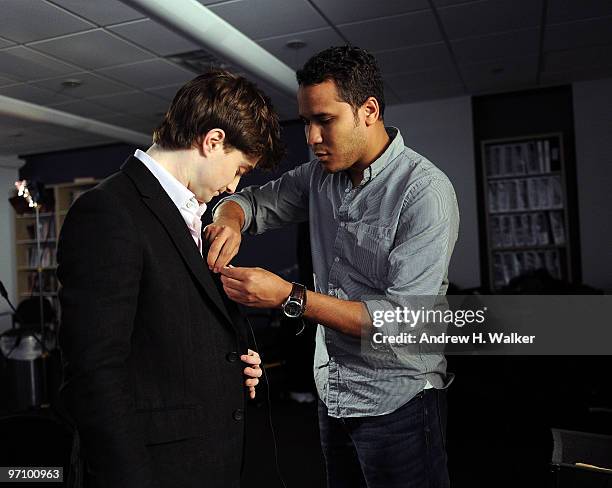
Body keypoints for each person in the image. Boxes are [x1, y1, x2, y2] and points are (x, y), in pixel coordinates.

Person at [207, 46, 459, 488]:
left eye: (325, 120)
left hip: (399, 400)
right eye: (306, 121)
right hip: (335, 393)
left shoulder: (426, 193)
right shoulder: (318, 176)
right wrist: (228, 220)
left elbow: (401, 323)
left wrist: (290, 297)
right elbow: (246, 202)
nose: (311, 137)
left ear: (369, 110)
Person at [57, 69, 283, 488]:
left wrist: (233, 360)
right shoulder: (108, 210)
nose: (234, 185)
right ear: (213, 141)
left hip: (209, 456)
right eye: (239, 170)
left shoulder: (192, 213)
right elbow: (94, 374)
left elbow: (172, 327)